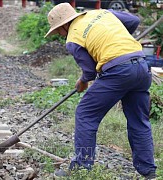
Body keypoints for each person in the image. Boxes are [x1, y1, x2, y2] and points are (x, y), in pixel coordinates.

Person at [45, 3, 157, 179]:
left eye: (58, 30)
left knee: (85, 113)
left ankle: (81, 167)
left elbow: (89, 71)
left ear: (65, 25)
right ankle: (149, 171)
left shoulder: (73, 38)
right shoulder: (101, 13)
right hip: (141, 66)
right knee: (138, 119)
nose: (60, 34)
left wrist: (82, 81)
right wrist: (118, 39)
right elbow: (134, 20)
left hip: (118, 70)